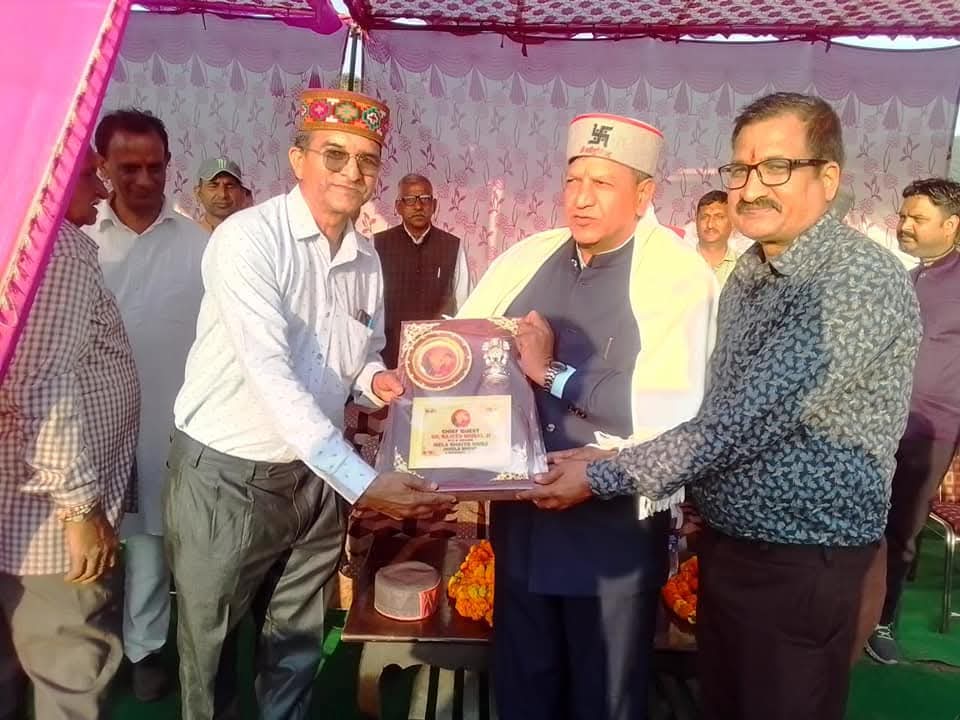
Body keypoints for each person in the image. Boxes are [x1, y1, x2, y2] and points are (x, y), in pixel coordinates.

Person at [532, 93, 921, 720]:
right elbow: (711, 402)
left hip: (804, 565)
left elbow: (740, 422)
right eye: (740, 169)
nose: (752, 187)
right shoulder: (751, 273)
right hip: (730, 551)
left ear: (828, 178)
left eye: (777, 167)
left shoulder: (854, 280)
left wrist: (603, 473)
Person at [165, 88, 454, 720]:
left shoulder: (365, 259)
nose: (352, 171)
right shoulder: (248, 240)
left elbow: (360, 355)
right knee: (211, 647)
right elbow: (270, 375)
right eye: (335, 154)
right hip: (228, 476)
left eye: (366, 160)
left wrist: (378, 381)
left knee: (296, 642)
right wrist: (364, 483)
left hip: (315, 476)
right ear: (298, 160)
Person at [458, 112, 717, 720]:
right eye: (574, 181)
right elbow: (467, 347)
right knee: (524, 688)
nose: (580, 198)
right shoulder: (528, 257)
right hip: (522, 523)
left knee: (604, 698)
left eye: (602, 183)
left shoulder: (678, 276)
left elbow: (667, 408)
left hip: (609, 536)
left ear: (644, 194)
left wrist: (550, 372)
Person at [0, 146, 140, 720]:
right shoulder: (55, 248)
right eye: (88, 175)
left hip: (24, 514)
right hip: (52, 532)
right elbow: (42, 386)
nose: (103, 191)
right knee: (71, 682)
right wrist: (80, 509)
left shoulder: (22, 238)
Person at [87, 108, 208, 701]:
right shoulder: (79, 239)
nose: (142, 179)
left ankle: (145, 650)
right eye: (127, 167)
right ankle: (92, 652)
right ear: (102, 167)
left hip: (169, 419)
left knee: (152, 540)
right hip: (88, 424)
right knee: (86, 539)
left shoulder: (200, 246)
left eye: (154, 167)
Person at [866, 178, 960, 664]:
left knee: (902, 528)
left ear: (952, 225)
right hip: (879, 423)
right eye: (903, 216)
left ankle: (881, 621)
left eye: (918, 218)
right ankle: (855, 610)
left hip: (931, 429)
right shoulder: (908, 276)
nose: (905, 225)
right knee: (863, 517)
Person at [373, 174, 470, 368]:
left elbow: (464, 304)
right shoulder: (378, 245)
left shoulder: (452, 246)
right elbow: (369, 306)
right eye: (410, 200)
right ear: (398, 207)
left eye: (425, 199)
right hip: (389, 355)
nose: (418, 206)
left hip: (438, 357)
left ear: (434, 205)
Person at [693, 190, 738, 288]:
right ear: (696, 221)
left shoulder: (743, 266)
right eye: (704, 217)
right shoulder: (679, 262)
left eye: (719, 217)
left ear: (733, 222)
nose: (710, 225)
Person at [195, 156, 247, 232]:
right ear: (198, 194)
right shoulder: (189, 235)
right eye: (213, 186)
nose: (223, 194)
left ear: (243, 194)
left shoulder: (255, 234)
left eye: (230, 186)